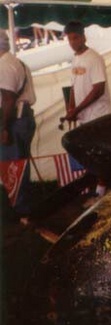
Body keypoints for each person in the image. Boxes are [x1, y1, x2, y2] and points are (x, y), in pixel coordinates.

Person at [62, 21, 111, 197]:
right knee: (90, 154)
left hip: (98, 115)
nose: (73, 42)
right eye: (69, 39)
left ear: (83, 37)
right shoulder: (75, 59)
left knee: (100, 155)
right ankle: (95, 188)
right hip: (84, 116)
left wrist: (76, 110)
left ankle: (101, 191)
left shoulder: (94, 58)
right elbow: (74, 86)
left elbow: (99, 89)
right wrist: (71, 108)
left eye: (75, 37)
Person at [0, 29, 37, 216]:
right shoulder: (18, 62)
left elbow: (8, 99)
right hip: (23, 118)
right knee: (18, 164)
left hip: (15, 119)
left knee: (13, 166)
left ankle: (20, 210)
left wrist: (3, 128)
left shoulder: (4, 65)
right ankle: (21, 206)